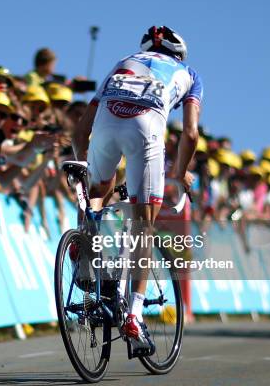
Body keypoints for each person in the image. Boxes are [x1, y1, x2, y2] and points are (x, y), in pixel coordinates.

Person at [72, 25, 203, 355]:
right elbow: (190, 134)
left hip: (105, 124)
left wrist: (84, 168)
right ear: (179, 54)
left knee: (98, 192)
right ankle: (134, 314)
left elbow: (80, 131)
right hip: (145, 130)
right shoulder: (189, 74)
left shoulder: (124, 62)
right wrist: (180, 172)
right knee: (143, 226)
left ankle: (86, 247)